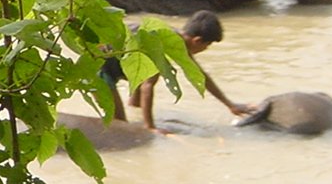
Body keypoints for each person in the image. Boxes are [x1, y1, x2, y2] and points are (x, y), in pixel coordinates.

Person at [102, 11, 253, 133]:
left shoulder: (174, 38)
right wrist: (150, 127)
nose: (205, 49)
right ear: (197, 41)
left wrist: (230, 105)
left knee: (140, 82)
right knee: (122, 127)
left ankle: (136, 109)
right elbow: (148, 86)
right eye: (207, 45)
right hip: (99, 67)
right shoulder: (162, 44)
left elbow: (200, 76)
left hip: (115, 62)